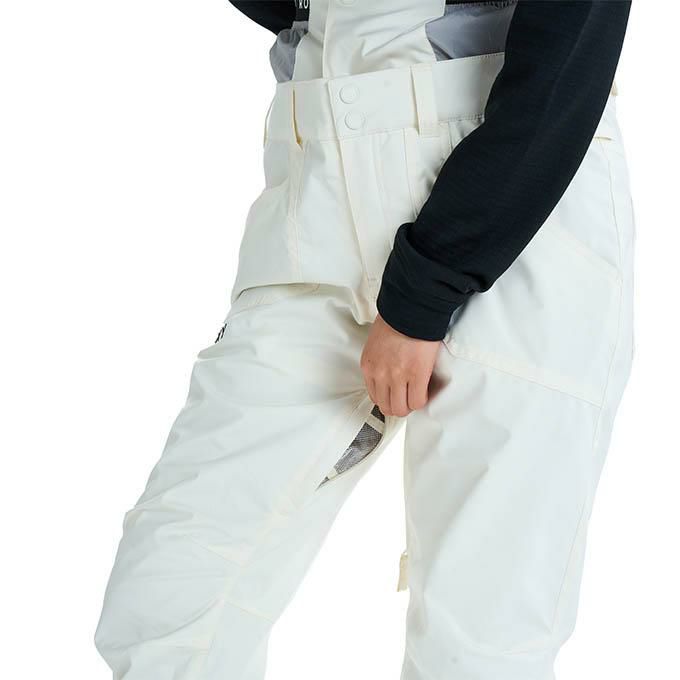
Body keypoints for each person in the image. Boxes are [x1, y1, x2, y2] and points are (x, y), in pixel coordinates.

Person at [95, 2, 634, 678]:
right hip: (317, 168)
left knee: (480, 634)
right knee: (170, 588)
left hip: (512, 187)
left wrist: (424, 293)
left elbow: (572, 48)